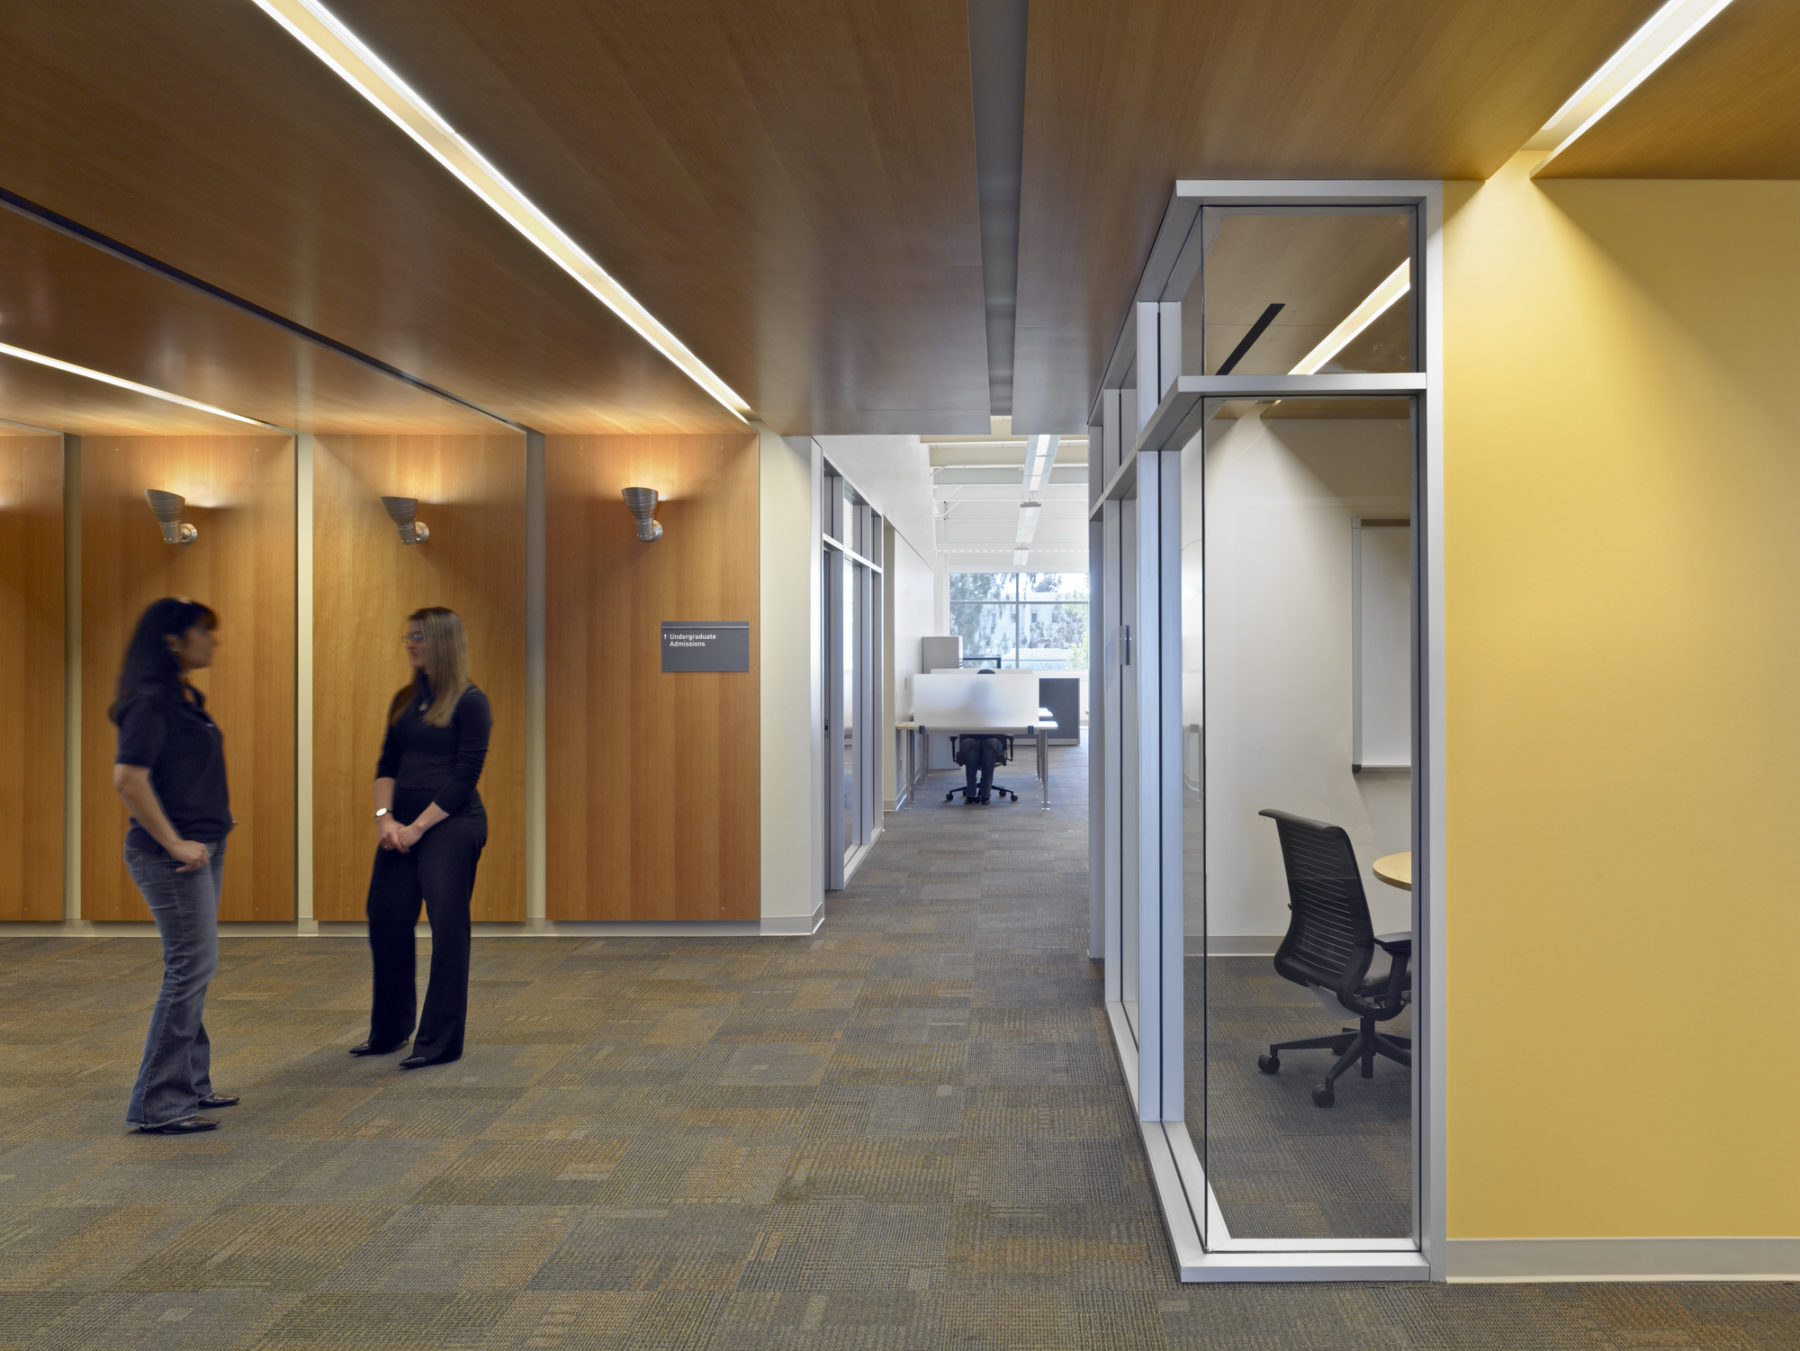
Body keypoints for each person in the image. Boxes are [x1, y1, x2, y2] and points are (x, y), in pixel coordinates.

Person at [113, 597, 238, 1135]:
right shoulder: (149, 702)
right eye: (203, 633)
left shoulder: (183, 696)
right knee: (190, 969)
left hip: (202, 848)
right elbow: (128, 779)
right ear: (172, 641)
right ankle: (159, 1104)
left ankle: (189, 1083)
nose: (213, 642)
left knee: (194, 968)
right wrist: (175, 842)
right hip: (171, 858)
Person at [352, 606, 491, 1069]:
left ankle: (439, 1041)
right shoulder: (403, 700)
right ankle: (389, 1030)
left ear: (443, 643)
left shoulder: (471, 702)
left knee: (448, 928)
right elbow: (385, 766)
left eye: (420, 637)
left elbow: (464, 778)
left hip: (451, 823)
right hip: (400, 827)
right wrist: (384, 818)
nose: (410, 643)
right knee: (385, 918)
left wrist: (416, 827)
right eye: (408, 635)